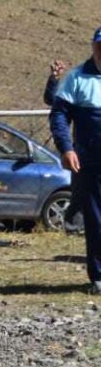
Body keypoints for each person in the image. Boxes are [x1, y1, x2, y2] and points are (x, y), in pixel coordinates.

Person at [49, 27, 101, 294]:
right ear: (93, 46)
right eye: (99, 46)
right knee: (96, 219)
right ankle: (99, 276)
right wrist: (66, 148)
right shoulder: (77, 78)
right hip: (91, 162)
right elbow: (59, 115)